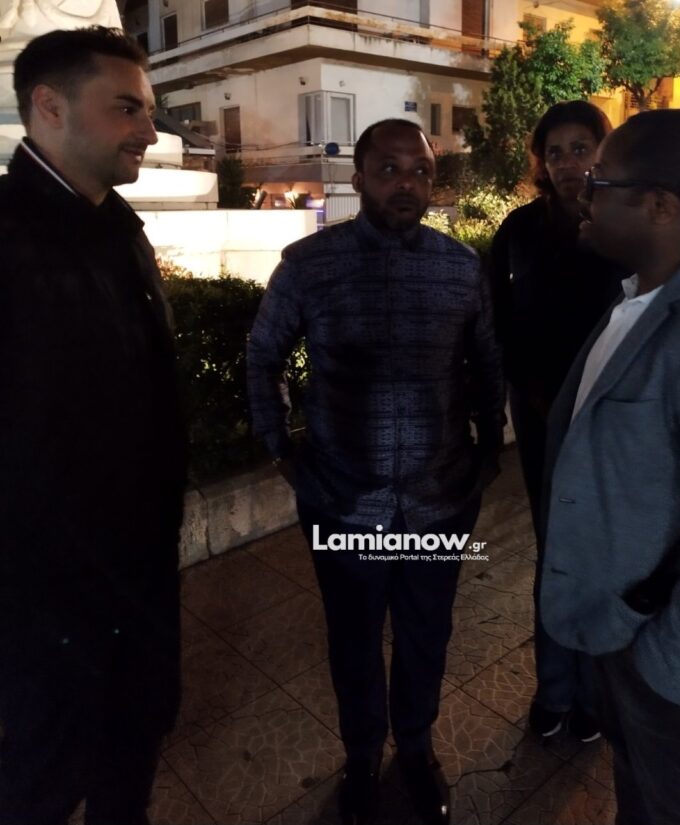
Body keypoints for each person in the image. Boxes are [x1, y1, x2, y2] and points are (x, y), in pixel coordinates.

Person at [247, 118, 505, 825]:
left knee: (427, 633)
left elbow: (487, 364)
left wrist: (487, 452)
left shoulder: (460, 268)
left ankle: (416, 748)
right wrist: (281, 448)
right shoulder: (310, 265)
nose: (406, 184)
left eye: (420, 171)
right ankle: (362, 755)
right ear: (358, 178)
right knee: (353, 638)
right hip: (342, 501)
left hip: (438, 500)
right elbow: (263, 356)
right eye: (388, 169)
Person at [540, 108, 680, 825]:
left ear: (660, 206)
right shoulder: (648, 290)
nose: (583, 193)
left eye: (600, 181)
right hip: (626, 628)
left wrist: (665, 664)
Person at [0, 27, 186, 825]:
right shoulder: (10, 237)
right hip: (44, 600)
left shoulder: (116, 223)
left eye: (146, 110)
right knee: (41, 780)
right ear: (49, 107)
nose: (149, 131)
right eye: (126, 109)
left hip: (137, 574)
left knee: (130, 752)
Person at [488, 100, 624, 741]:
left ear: (603, 151)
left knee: (604, 551)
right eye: (555, 152)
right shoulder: (519, 230)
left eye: (580, 148)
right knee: (555, 549)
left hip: (613, 419)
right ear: (541, 162)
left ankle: (594, 693)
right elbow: (497, 320)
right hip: (542, 412)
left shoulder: (624, 226)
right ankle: (555, 687)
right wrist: (520, 392)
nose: (568, 163)